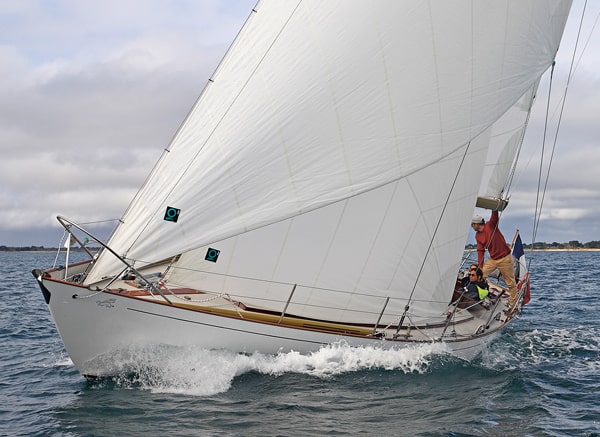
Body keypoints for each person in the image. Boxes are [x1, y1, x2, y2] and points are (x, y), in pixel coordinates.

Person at [471, 211, 517, 310]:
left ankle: (514, 305)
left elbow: (495, 216)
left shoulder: (490, 225)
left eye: (472, 224)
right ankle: (483, 295)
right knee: (479, 275)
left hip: (505, 258)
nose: (472, 226)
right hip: (493, 259)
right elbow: (480, 251)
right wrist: (480, 267)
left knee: (510, 283)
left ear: (477, 224)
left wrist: (494, 208)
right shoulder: (477, 236)